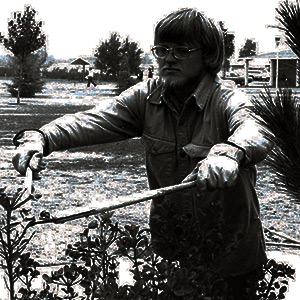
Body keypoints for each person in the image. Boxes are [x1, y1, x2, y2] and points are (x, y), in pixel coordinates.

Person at [12, 8, 271, 298]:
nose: (169, 58)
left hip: (232, 261)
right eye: (162, 50)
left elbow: (256, 128)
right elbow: (93, 119)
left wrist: (230, 152)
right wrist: (41, 138)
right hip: (172, 253)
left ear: (208, 55)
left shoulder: (227, 98)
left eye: (182, 50)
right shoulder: (145, 97)